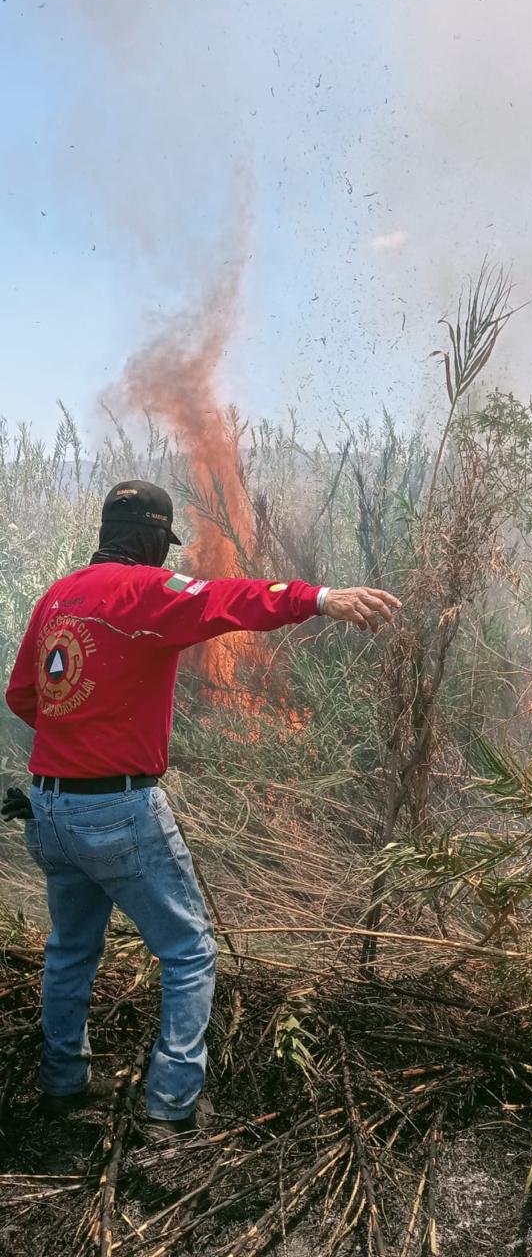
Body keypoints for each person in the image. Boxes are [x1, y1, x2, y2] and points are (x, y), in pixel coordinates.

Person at [4, 480, 401, 1138]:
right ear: (152, 540)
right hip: (117, 809)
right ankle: (171, 1108)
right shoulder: (146, 591)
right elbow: (226, 599)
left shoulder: (57, 595)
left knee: (71, 949)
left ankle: (61, 1085)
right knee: (188, 950)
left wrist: (78, 733)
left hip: (49, 807)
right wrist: (319, 598)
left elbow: (24, 694)